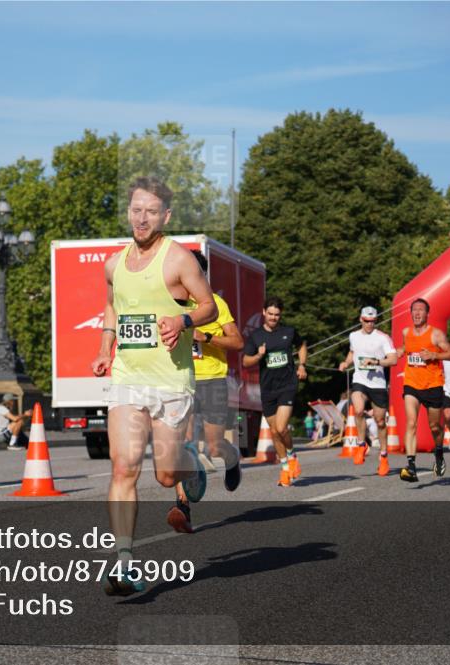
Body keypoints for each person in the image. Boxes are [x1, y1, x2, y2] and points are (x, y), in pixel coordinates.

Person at [90, 176, 215, 596]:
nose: (141, 218)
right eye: (135, 210)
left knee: (165, 477)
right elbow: (111, 307)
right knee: (123, 466)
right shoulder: (113, 264)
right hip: (129, 378)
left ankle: (189, 465)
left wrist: (182, 321)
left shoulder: (179, 260)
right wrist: (107, 346)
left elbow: (208, 305)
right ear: (129, 212)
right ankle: (124, 564)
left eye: (150, 211)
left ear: (165, 215)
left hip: (171, 382)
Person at [167, 250, 244, 533]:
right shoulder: (171, 303)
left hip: (212, 381)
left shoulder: (216, 304)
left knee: (213, 446)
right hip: (180, 382)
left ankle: (231, 457)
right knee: (182, 444)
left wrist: (207, 337)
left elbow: (238, 343)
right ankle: (182, 506)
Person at [243, 296, 308, 487]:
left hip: (287, 385)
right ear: (264, 313)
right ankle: (286, 468)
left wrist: (302, 365)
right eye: (270, 314)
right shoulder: (255, 336)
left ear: (281, 315)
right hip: (268, 388)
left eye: (277, 315)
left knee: (281, 427)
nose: (273, 318)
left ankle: (291, 455)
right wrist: (259, 355)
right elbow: (246, 361)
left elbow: (302, 345)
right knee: (273, 431)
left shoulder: (289, 332)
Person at [396, 298, 450, 482]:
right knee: (411, 423)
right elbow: (407, 348)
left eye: (421, 310)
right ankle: (411, 467)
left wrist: (434, 354)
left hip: (433, 384)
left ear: (427, 314)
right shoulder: (406, 332)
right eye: (414, 310)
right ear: (410, 313)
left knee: (435, 427)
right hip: (411, 382)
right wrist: (399, 351)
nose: (417, 313)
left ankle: (438, 453)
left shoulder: (436, 334)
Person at [338, 306, 397, 476]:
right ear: (360, 320)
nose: (369, 324)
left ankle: (384, 456)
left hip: (378, 384)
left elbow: (393, 359)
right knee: (357, 410)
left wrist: (377, 362)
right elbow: (352, 352)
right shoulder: (353, 336)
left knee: (380, 422)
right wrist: (345, 363)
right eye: (366, 321)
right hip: (360, 381)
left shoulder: (383, 338)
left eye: (372, 321)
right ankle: (361, 445)